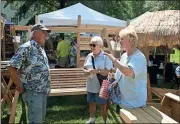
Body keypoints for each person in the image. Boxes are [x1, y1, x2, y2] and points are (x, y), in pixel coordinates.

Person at [7, 24, 51, 123]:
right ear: (35, 33)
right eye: (44, 33)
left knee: (40, 119)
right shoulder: (26, 48)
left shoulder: (41, 48)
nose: (46, 36)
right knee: (36, 120)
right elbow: (11, 67)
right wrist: (19, 85)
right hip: (33, 92)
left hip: (42, 91)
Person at [104, 28, 147, 108]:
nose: (119, 41)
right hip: (124, 102)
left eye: (122, 39)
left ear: (131, 40)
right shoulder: (124, 55)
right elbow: (121, 72)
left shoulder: (139, 57)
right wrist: (113, 73)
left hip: (136, 104)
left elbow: (128, 72)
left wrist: (114, 60)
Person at [83, 36, 113, 124]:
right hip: (90, 84)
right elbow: (84, 68)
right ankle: (92, 119)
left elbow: (109, 71)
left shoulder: (105, 57)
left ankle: (105, 121)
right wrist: (86, 72)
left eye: (93, 45)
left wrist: (98, 71)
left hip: (101, 86)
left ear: (100, 46)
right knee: (91, 103)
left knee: (103, 105)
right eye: (90, 45)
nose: (91, 47)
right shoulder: (89, 56)